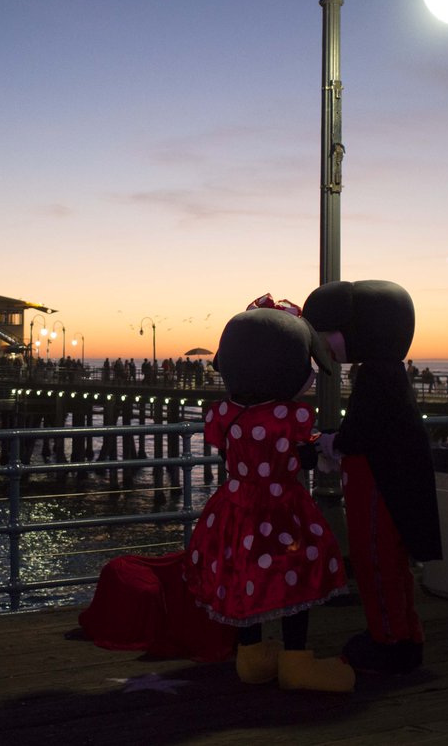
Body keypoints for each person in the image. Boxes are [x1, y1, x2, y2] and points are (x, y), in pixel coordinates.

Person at [182, 295, 354, 692]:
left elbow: (227, 453)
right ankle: (296, 660)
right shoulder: (290, 417)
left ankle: (252, 656)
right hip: (282, 510)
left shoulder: (223, 415)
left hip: (235, 506)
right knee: (295, 576)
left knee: (244, 574)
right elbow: (305, 461)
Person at [303, 280, 441, 676]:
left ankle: (389, 641)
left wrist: (329, 443)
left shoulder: (376, 378)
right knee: (393, 565)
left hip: (378, 483)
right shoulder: (389, 374)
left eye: (329, 334)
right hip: (390, 479)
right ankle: (405, 634)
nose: (326, 344)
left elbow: (362, 433)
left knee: (375, 559)